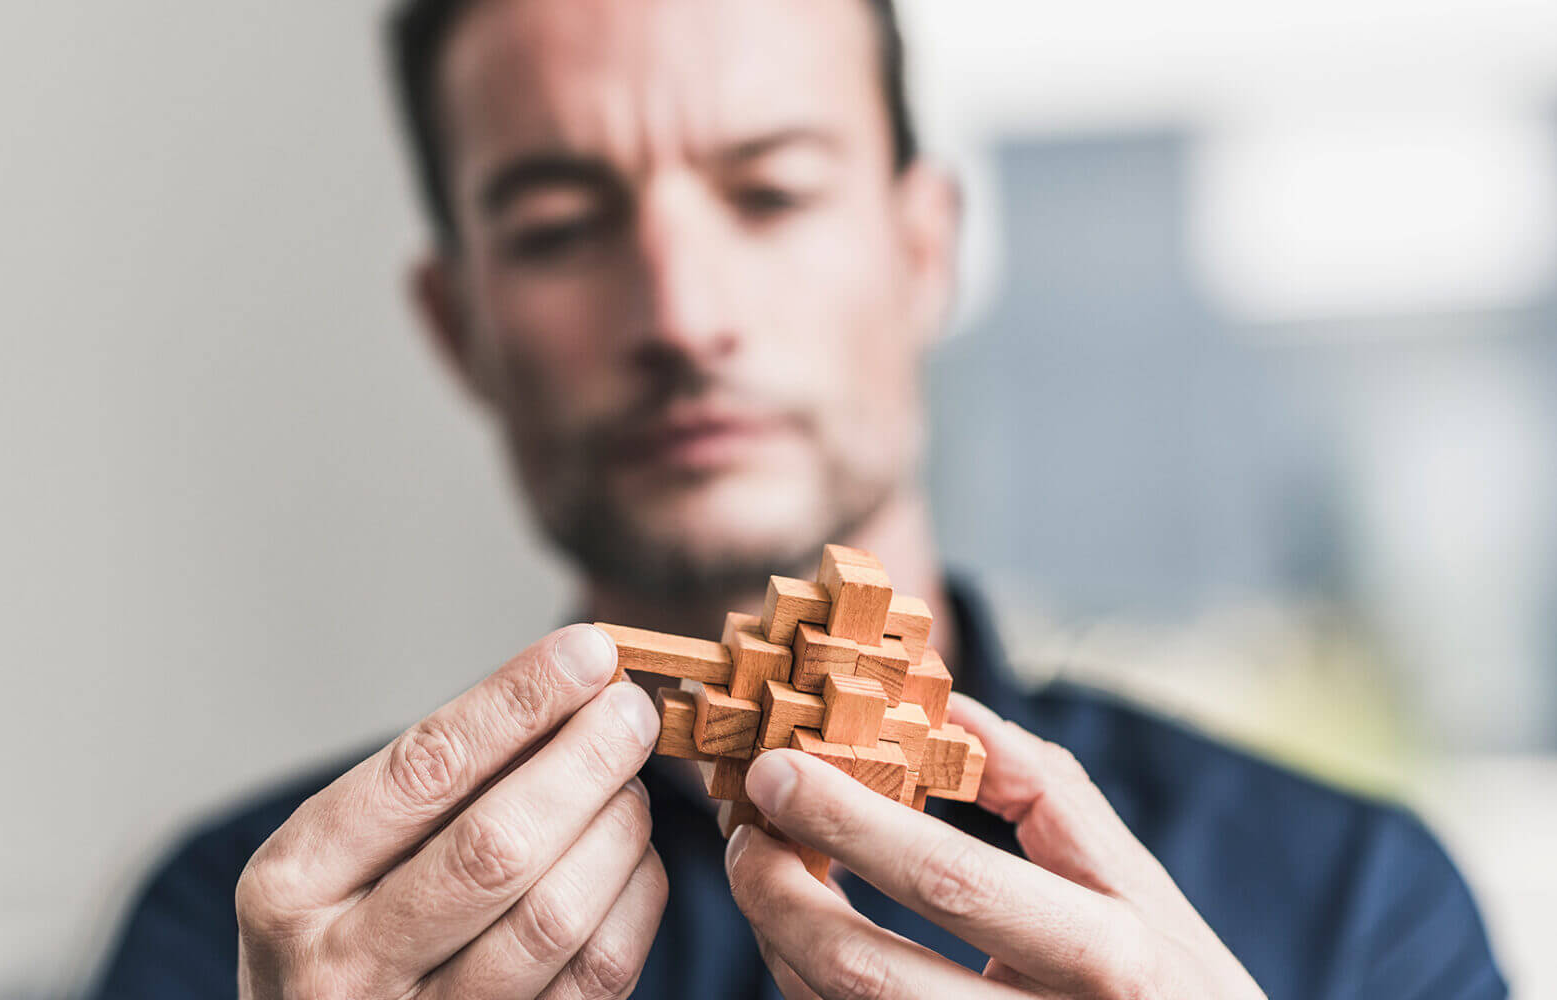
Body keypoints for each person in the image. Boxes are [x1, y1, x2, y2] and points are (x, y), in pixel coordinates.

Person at [92, 0, 1506, 997]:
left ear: (922, 249)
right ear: (457, 325)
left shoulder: (1351, 906)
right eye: (560, 228)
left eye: (767, 192)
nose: (682, 311)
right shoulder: (262, 933)